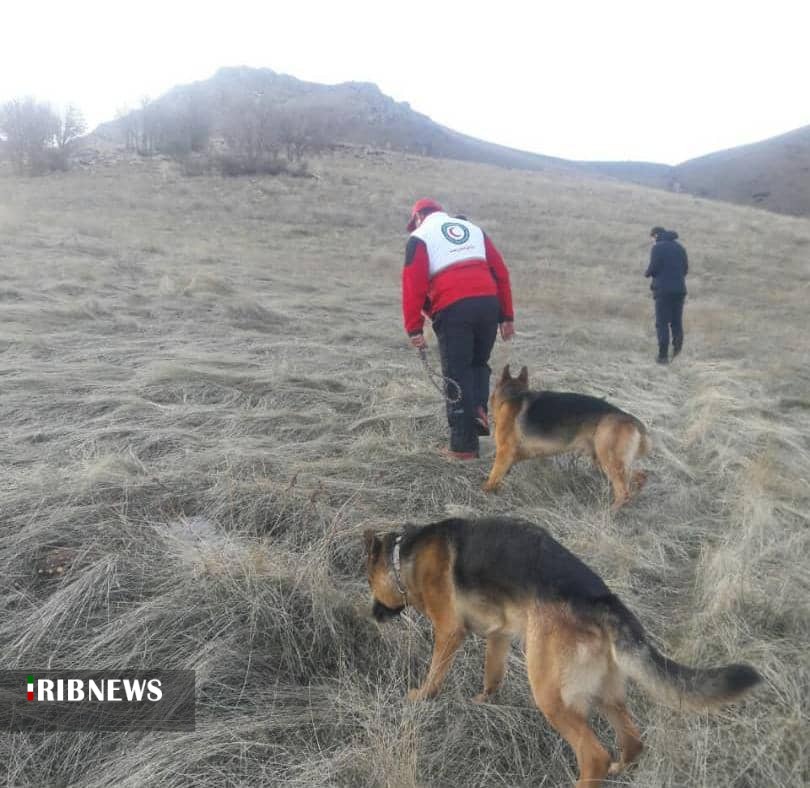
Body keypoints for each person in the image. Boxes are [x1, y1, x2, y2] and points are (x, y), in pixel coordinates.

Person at [402, 198, 515, 459]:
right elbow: (501, 272)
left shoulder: (419, 237)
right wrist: (506, 315)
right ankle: (477, 412)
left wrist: (413, 328)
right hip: (488, 304)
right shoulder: (474, 230)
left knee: (456, 373)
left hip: (454, 307)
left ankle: (462, 448)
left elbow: (413, 284)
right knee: (478, 363)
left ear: (418, 218)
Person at [645, 226, 688, 364]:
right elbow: (685, 269)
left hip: (663, 290)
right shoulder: (680, 248)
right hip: (680, 290)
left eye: (652, 237)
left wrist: (647, 273)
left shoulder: (658, 247)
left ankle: (663, 356)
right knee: (676, 323)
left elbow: (653, 267)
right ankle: (677, 354)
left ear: (656, 235)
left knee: (662, 323)